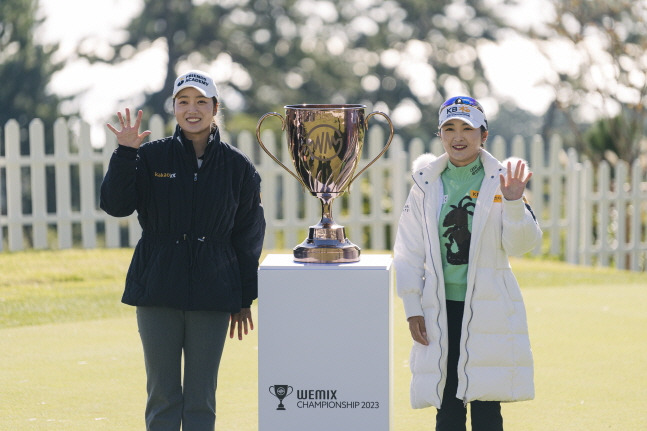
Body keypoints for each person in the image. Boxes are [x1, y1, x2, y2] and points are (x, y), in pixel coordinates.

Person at [100, 70, 266, 431]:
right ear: (174, 107)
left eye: (201, 101)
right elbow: (115, 205)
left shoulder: (238, 167)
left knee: (201, 398)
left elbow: (249, 235)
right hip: (158, 288)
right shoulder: (150, 157)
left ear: (215, 107)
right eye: (184, 101)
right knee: (162, 396)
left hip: (214, 292)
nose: (192, 109)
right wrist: (126, 153)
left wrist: (244, 297)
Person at [393, 96, 542, 431]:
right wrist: (412, 305)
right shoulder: (425, 183)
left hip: (489, 305)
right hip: (439, 307)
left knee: (487, 405)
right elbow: (407, 249)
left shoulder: (502, 180)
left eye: (467, 128)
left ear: (483, 135)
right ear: (440, 134)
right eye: (449, 128)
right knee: (447, 404)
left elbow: (521, 246)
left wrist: (516, 203)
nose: (457, 136)